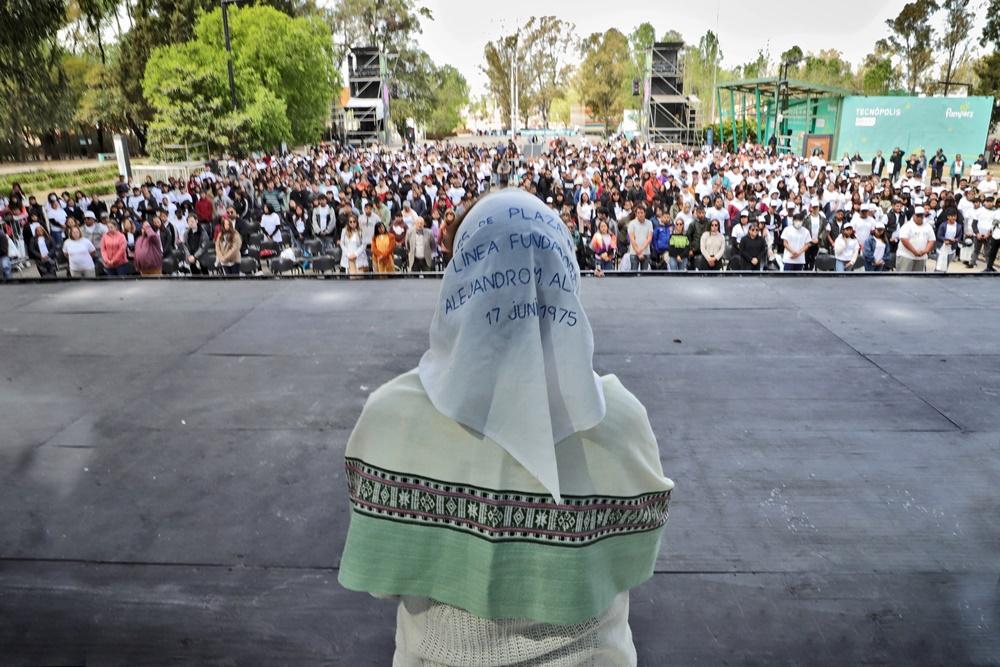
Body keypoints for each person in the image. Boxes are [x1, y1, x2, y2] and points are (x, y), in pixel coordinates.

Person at [338, 189, 673, 666]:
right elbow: (633, 562)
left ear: (461, 278)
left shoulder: (390, 417)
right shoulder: (619, 420)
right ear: (565, 276)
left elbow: (384, 578)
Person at [896, 206, 936, 272]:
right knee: (903, 279)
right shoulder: (907, 225)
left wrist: (925, 251)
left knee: (918, 279)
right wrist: (914, 251)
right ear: (914, 215)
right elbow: (904, 239)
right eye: (918, 215)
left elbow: (932, 240)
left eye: (922, 215)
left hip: (921, 257)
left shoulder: (928, 226)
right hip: (906, 257)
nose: (920, 217)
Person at [627, 205, 653, 271]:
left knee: (644, 276)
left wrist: (641, 250)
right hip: (634, 253)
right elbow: (632, 239)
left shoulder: (649, 223)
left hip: (646, 252)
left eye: (641, 212)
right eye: (638, 213)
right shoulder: (632, 223)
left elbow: (649, 239)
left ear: (645, 213)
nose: (640, 214)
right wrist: (638, 252)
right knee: (633, 274)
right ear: (636, 214)